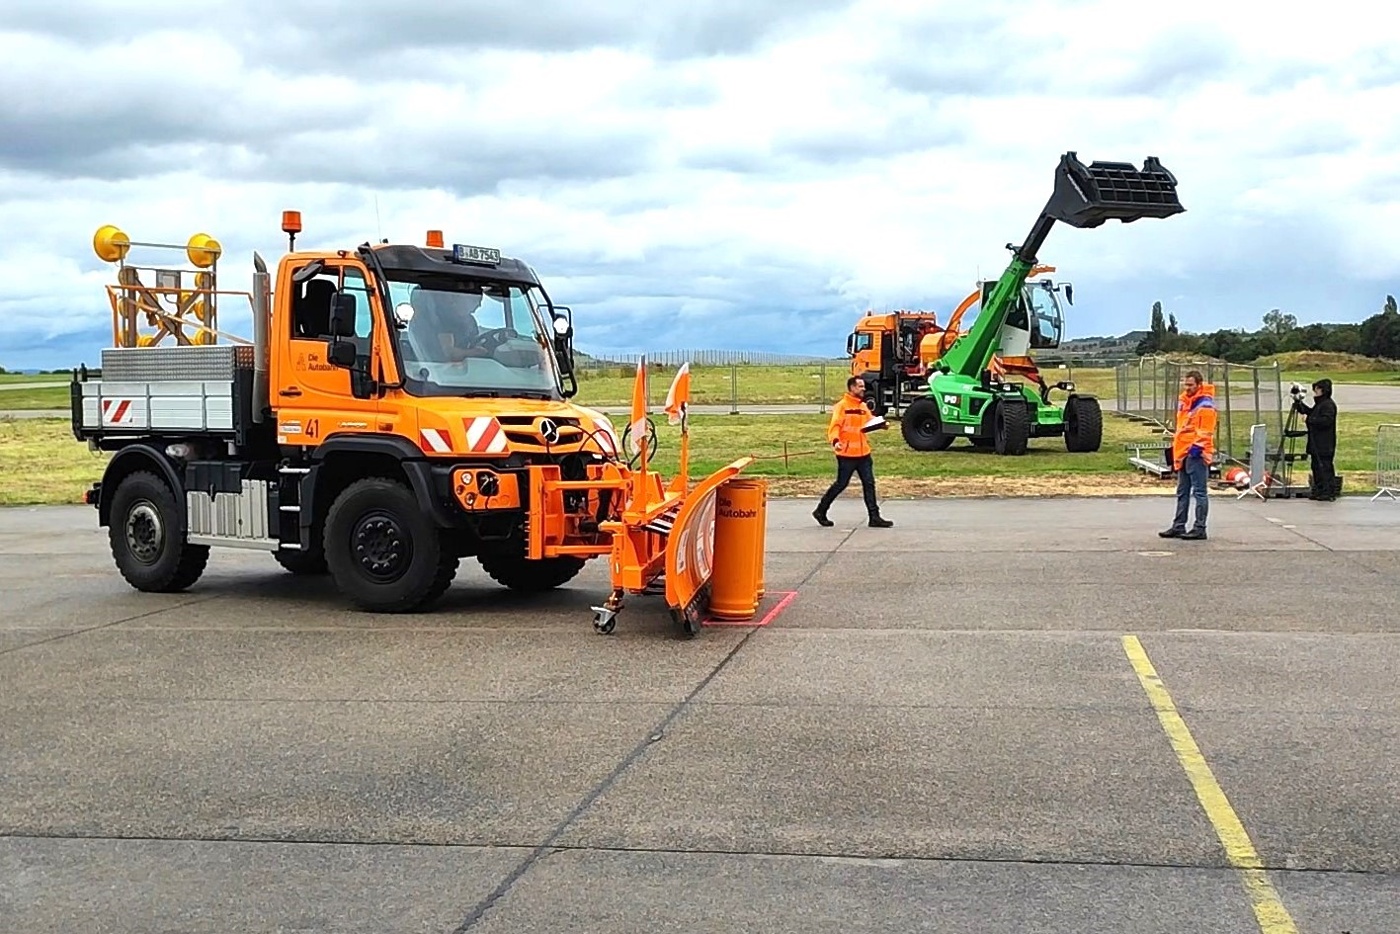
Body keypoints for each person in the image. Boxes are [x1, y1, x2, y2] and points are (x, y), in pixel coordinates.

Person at [813, 377, 894, 528]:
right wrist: (835, 441)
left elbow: (869, 422)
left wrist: (881, 424)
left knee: (869, 484)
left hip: (863, 453)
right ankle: (821, 510)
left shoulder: (863, 406)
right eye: (860, 386)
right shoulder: (842, 407)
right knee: (841, 484)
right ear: (852, 388)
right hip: (847, 454)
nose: (863, 389)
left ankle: (874, 517)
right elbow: (835, 426)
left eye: (863, 386)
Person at [1159, 369, 1217, 541]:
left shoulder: (1205, 405)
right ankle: (1179, 525)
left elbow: (1206, 431)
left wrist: (1196, 449)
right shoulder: (1185, 401)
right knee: (1182, 491)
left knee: (1199, 492)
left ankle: (1200, 528)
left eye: (1191, 385)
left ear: (1199, 385)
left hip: (1196, 454)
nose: (1187, 388)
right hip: (1183, 452)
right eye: (1186, 384)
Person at [1293, 378, 1339, 500]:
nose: (1315, 391)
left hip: (1324, 444)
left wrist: (1309, 420)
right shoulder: (1320, 404)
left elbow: (1326, 421)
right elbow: (1311, 412)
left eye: (1317, 389)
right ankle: (1319, 490)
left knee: (1324, 467)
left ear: (1322, 390)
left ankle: (1327, 491)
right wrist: (1299, 404)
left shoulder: (1328, 405)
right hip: (1316, 442)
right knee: (1316, 467)